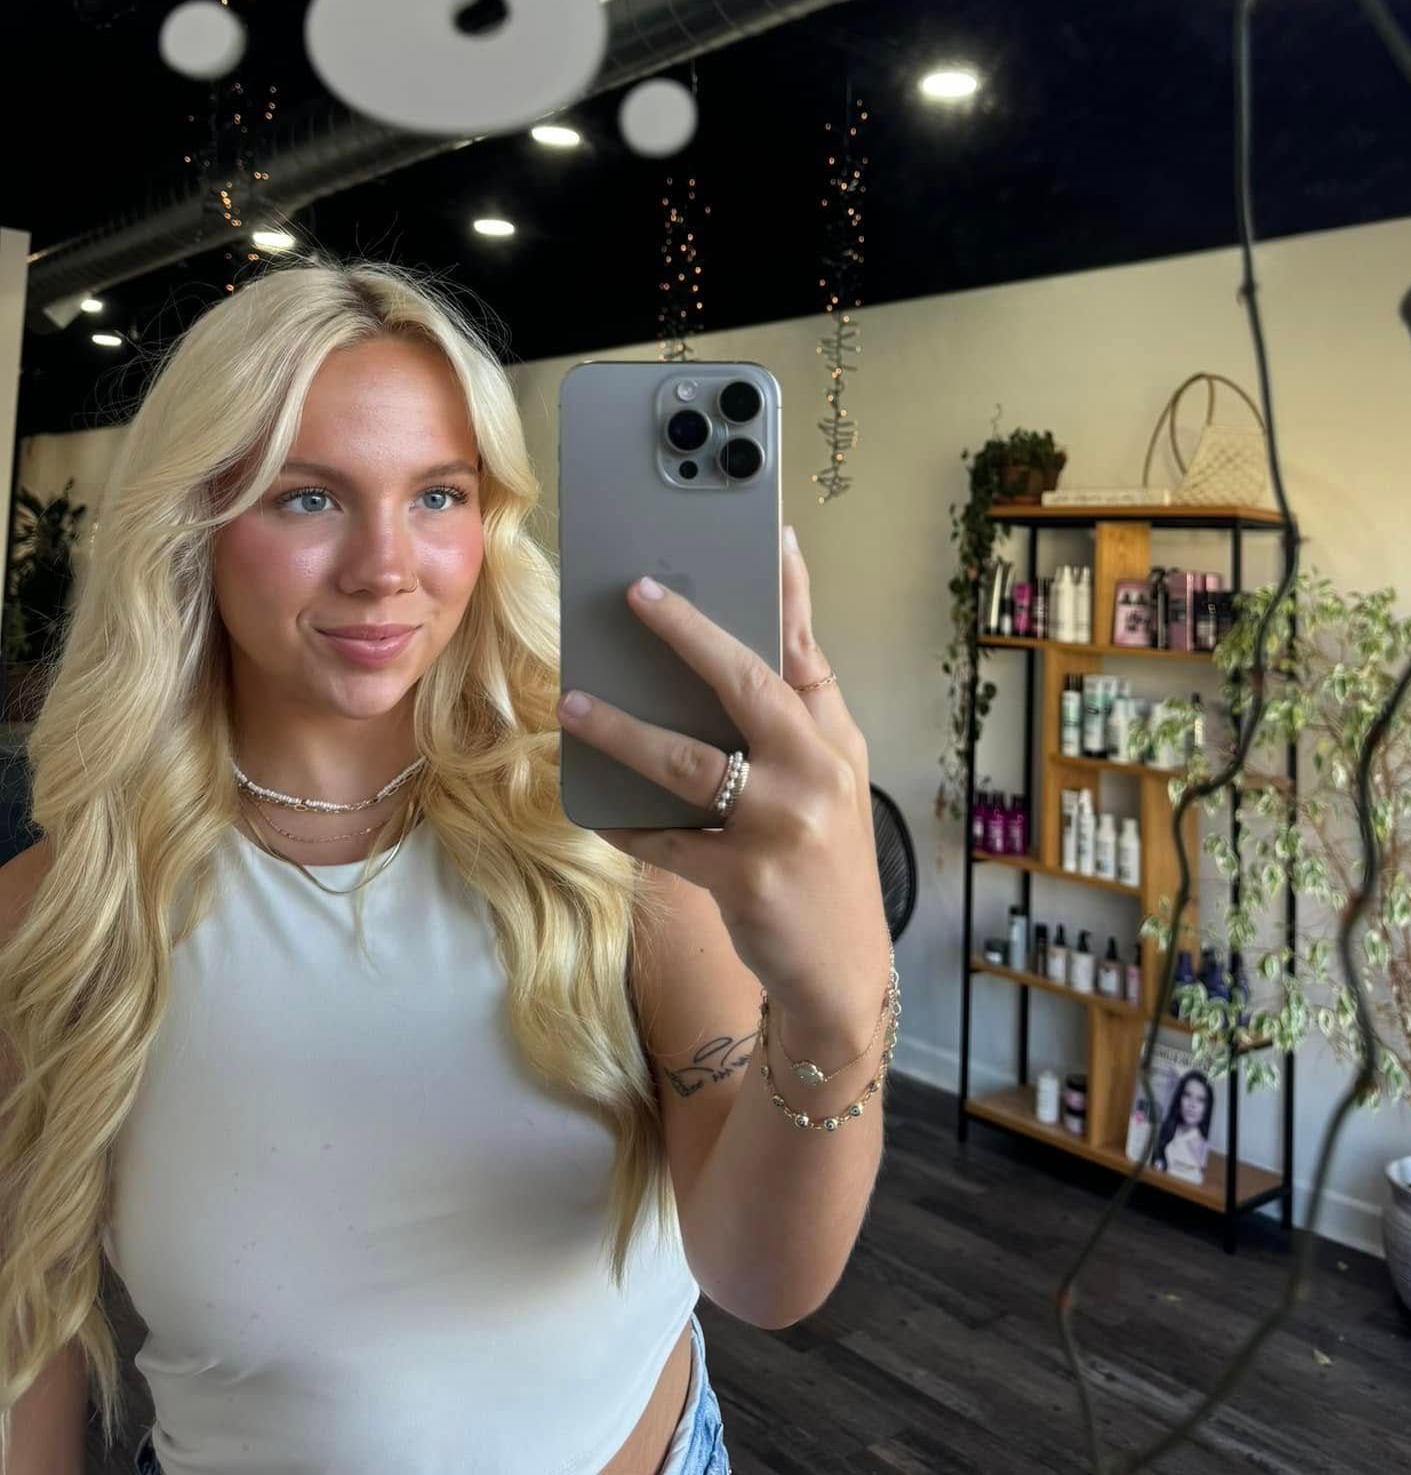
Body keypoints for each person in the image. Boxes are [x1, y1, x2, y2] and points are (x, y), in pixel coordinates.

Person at [0, 259, 895, 1475]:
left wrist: (837, 996)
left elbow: (762, 1275)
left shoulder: (614, 849)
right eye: (306, 498)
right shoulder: (58, 914)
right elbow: (27, 1341)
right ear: (194, 519)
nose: (386, 566)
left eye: (437, 494)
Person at [1150, 1070, 1215, 1184]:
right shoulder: (1167, 1130)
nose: (1192, 1104)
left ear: (1207, 1107)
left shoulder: (1200, 1145)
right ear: (1179, 1098)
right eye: (1187, 1095)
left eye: (1200, 1100)